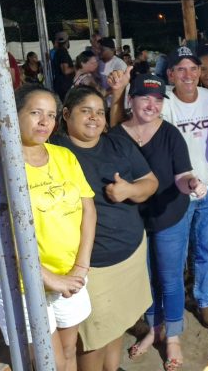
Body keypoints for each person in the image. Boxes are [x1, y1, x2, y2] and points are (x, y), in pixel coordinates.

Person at [0, 85, 96, 371]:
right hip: (24, 284)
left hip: (70, 274)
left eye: (51, 115)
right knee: (49, 364)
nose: (45, 122)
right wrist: (47, 278)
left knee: (69, 350)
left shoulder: (64, 156)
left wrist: (80, 267)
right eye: (35, 113)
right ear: (13, 114)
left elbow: (88, 211)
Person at [52, 86, 157, 371]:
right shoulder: (54, 152)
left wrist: (129, 190)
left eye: (99, 112)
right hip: (92, 265)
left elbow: (150, 182)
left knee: (119, 323)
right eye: (85, 111)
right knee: (93, 339)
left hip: (131, 252)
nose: (94, 118)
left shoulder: (118, 144)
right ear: (66, 114)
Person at [110, 73, 206, 371]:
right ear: (131, 100)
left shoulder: (170, 134)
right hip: (133, 221)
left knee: (170, 277)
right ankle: (154, 329)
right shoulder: (116, 135)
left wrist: (192, 183)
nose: (152, 105)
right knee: (146, 279)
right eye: (145, 98)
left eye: (157, 100)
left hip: (168, 215)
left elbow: (182, 176)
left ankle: (172, 336)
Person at [159, 46, 208, 329]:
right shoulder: (163, 103)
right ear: (170, 74)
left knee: (206, 247)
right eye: (181, 69)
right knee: (176, 252)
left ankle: (204, 300)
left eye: (193, 68)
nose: (188, 75)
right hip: (177, 193)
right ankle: (172, 305)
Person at [51, 31, 75, 101]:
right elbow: (65, 71)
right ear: (67, 41)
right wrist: (77, 67)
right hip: (65, 86)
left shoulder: (58, 52)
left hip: (60, 85)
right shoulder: (62, 52)